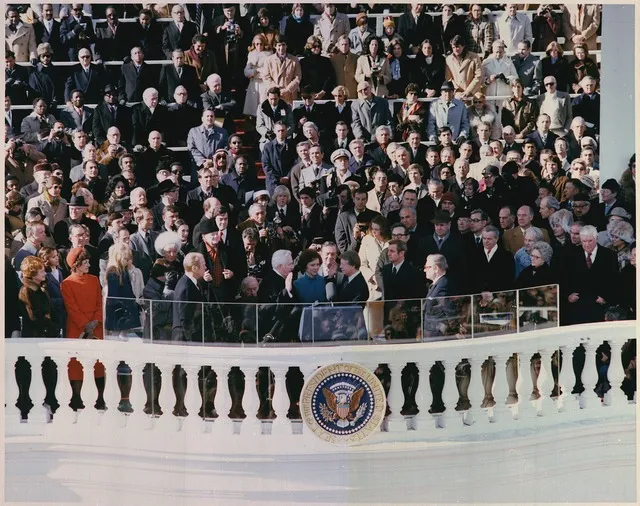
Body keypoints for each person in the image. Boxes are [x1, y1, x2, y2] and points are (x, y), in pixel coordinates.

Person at [565, 225, 619, 325]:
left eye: (590, 241)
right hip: (578, 307)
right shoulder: (571, 255)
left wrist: (606, 298)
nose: (587, 245)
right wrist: (568, 295)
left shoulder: (609, 255)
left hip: (600, 306)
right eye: (584, 241)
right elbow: (566, 278)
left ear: (596, 238)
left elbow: (615, 281)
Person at [104, 243, 142, 336]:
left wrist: (134, 303)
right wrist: (123, 308)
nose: (128, 261)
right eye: (125, 258)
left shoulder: (124, 270)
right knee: (116, 333)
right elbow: (113, 294)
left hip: (127, 307)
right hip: (118, 309)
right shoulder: (113, 272)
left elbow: (129, 290)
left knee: (125, 333)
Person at [18, 256, 59, 337]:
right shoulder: (27, 290)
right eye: (42, 271)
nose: (45, 273)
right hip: (35, 336)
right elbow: (33, 317)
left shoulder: (41, 288)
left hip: (46, 332)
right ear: (33, 274)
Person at [171, 251, 207, 342]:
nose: (205, 268)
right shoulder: (185, 287)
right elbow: (185, 319)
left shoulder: (191, 283)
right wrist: (191, 343)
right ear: (194, 268)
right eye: (203, 265)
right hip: (184, 340)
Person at [471, 225, 515, 293]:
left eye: (489, 239)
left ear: (496, 239)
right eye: (484, 238)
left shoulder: (507, 256)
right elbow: (471, 277)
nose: (486, 241)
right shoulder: (474, 255)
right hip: (478, 295)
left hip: (499, 295)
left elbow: (508, 279)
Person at [262, 36, 302, 105]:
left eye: (283, 45)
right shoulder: (268, 60)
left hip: (289, 95)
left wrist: (288, 90)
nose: (281, 48)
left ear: (287, 46)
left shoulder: (294, 60)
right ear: (275, 46)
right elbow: (266, 77)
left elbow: (297, 77)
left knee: (289, 114)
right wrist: (277, 89)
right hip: (273, 95)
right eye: (279, 45)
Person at [243, 34, 274, 117]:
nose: (259, 46)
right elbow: (246, 71)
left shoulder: (269, 55)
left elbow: (268, 71)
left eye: (261, 44)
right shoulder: (251, 54)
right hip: (253, 83)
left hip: (264, 83)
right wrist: (254, 71)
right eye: (257, 44)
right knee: (253, 108)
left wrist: (258, 72)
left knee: (263, 106)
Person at [445, 35, 482, 100]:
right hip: (457, 95)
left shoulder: (475, 57)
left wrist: (468, 91)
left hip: (473, 95)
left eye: (457, 47)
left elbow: (478, 76)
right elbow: (449, 78)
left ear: (463, 46)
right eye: (453, 47)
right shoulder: (448, 59)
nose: (455, 49)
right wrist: (457, 90)